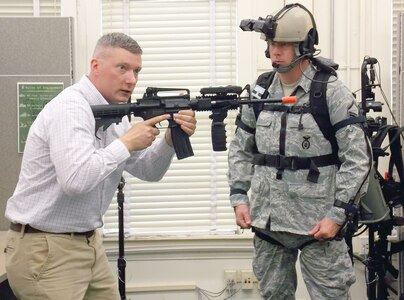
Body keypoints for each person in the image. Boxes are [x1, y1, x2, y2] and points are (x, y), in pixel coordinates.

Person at [4, 32, 196, 300]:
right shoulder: (71, 108)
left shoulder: (114, 112)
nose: (131, 80)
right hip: (46, 248)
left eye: (136, 71)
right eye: (122, 68)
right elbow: (75, 181)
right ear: (95, 66)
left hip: (88, 243)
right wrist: (127, 143)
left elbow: (149, 171)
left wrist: (168, 141)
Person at [228, 3, 372, 299]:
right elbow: (241, 147)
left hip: (318, 228)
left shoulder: (331, 92)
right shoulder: (261, 90)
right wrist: (239, 196)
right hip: (269, 225)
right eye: (271, 43)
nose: (275, 51)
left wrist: (337, 215)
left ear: (304, 46)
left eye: (283, 44)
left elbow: (358, 160)